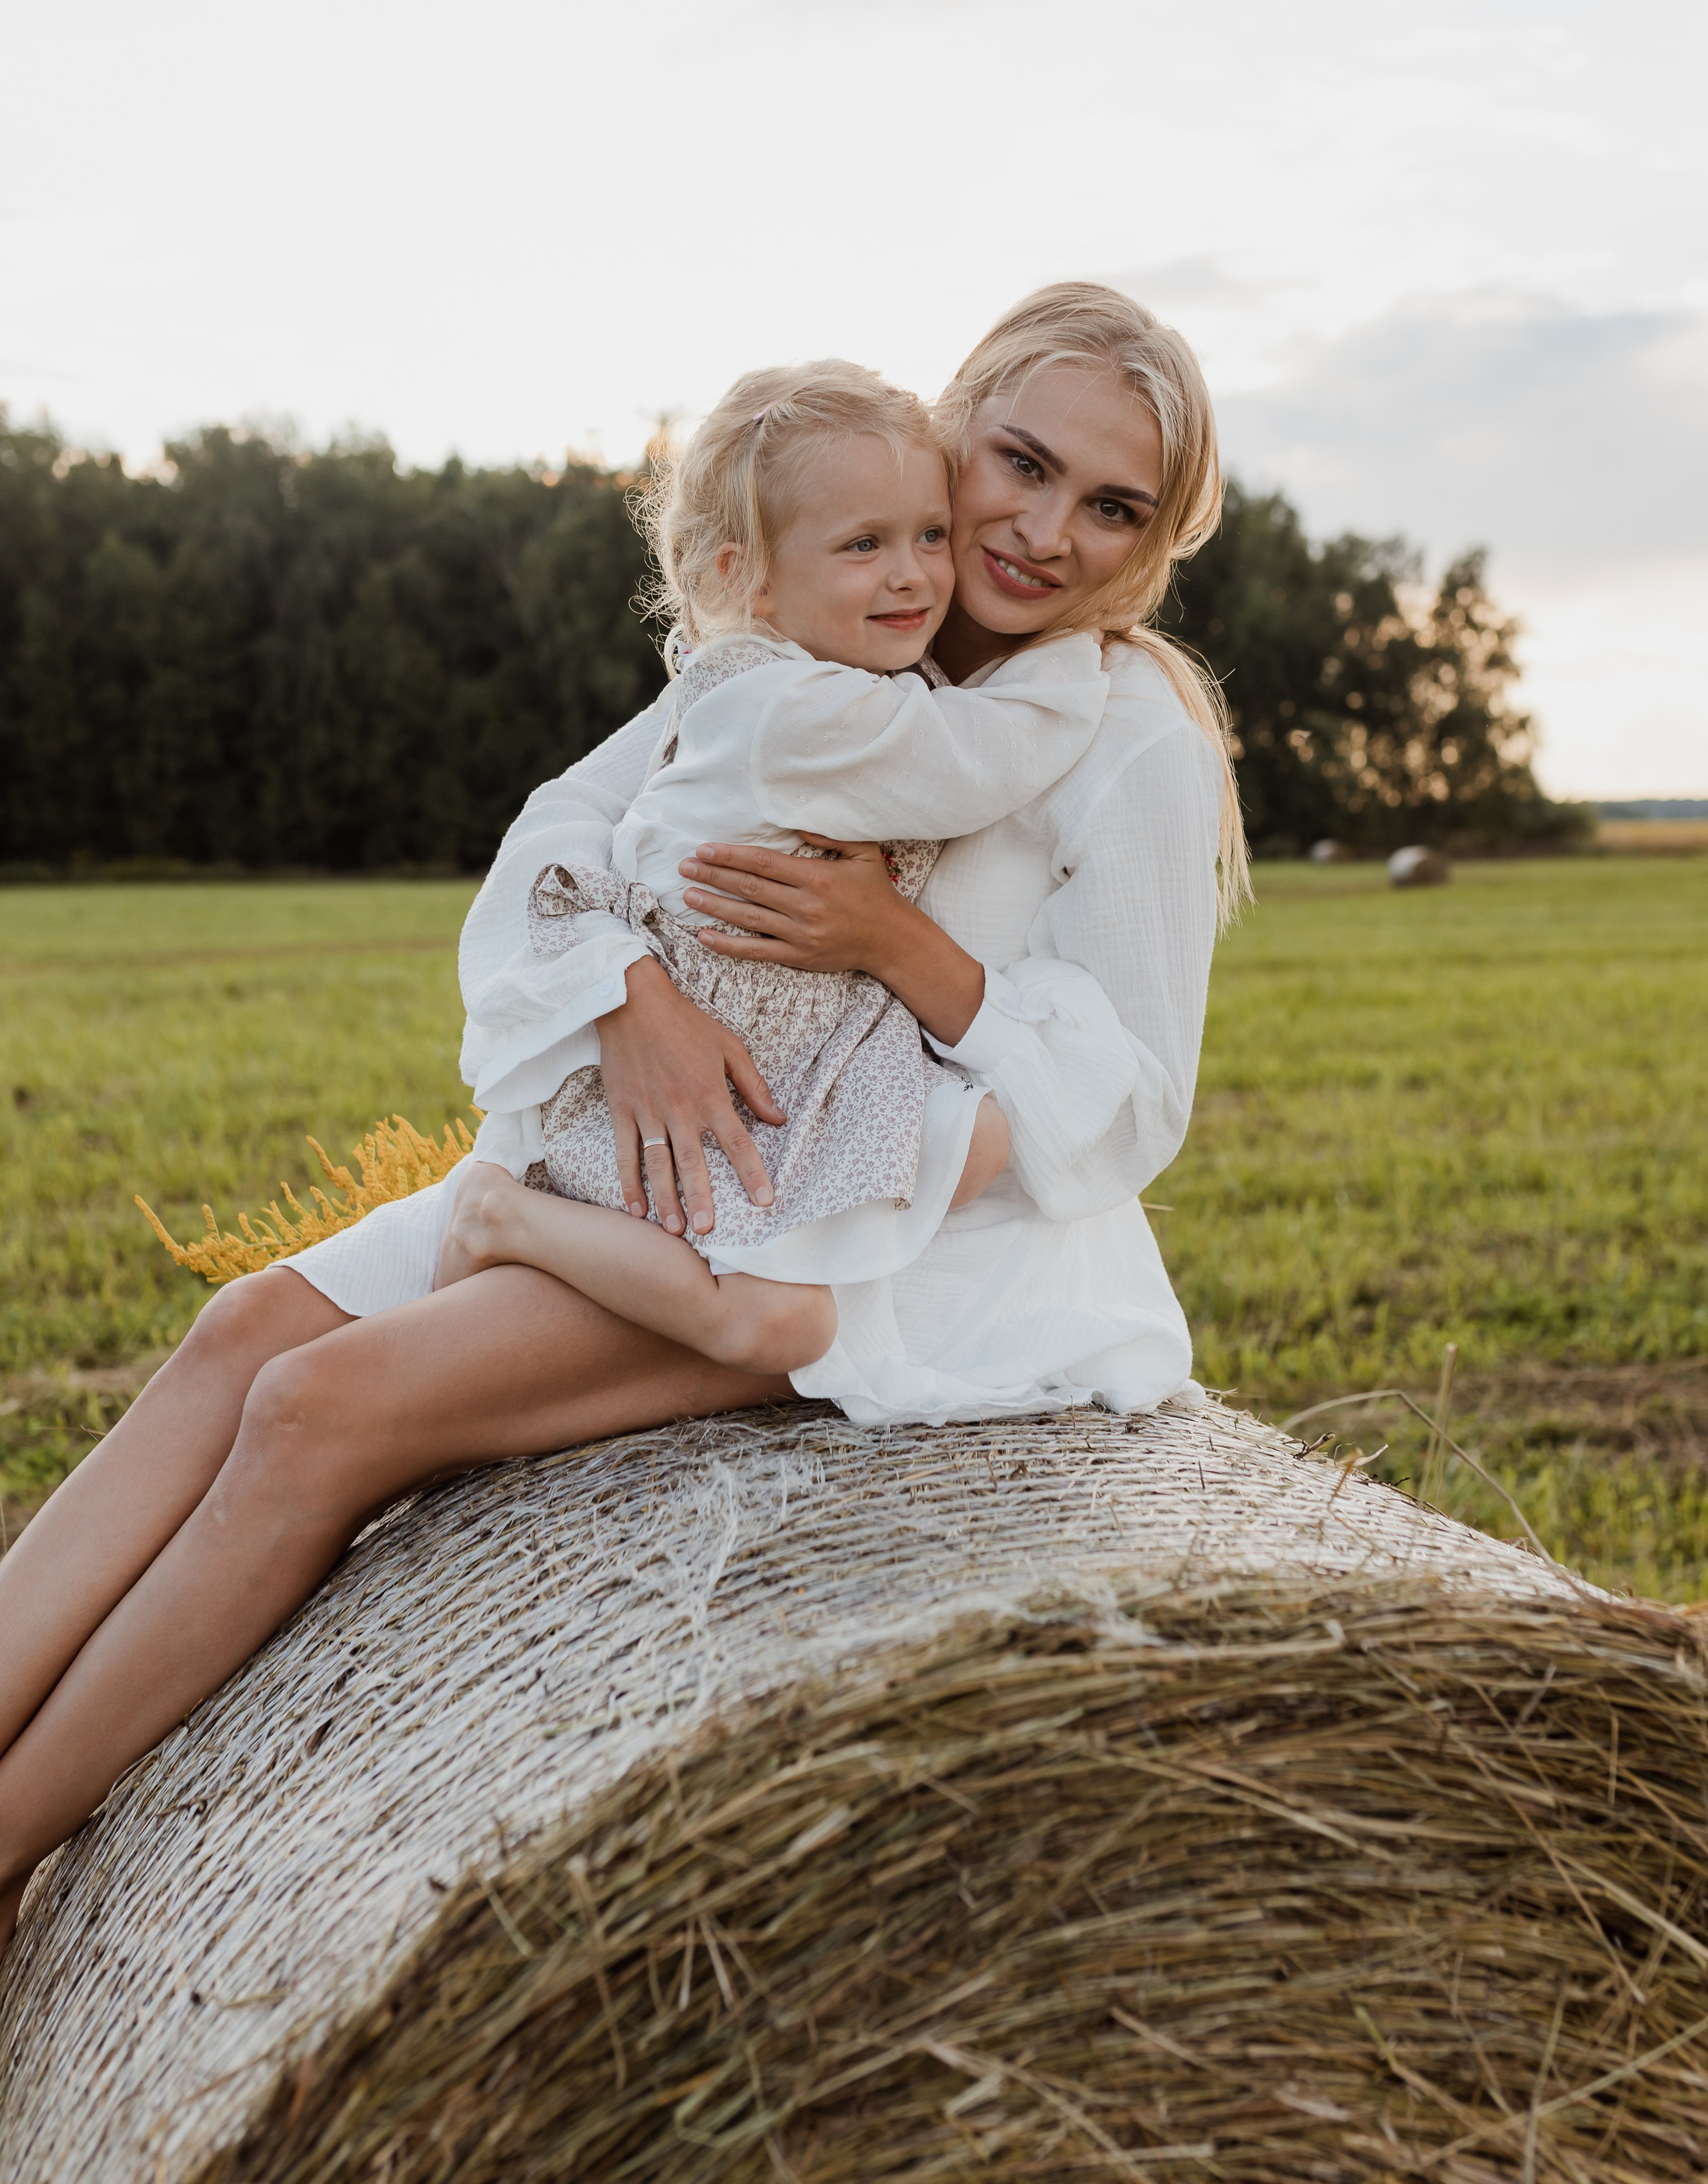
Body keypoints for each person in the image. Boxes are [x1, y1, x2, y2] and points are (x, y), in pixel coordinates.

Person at [0, 282, 1246, 1947]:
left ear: (1153, 543)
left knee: (318, 1408)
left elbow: (1126, 1099)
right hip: (667, 1140)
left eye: (1111, 507)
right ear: (952, 426)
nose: (1040, 529)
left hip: (902, 1222)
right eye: (1016, 462)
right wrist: (627, 999)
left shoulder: (1123, 736)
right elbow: (554, 843)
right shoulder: (813, 635)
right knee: (244, 1331)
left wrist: (897, 947)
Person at [422, 357, 1112, 1360]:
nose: (914, 572)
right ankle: (501, 1216)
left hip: (778, 1052)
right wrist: (1090, 651)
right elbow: (983, 757)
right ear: (739, 578)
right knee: (786, 1321)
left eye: (929, 533)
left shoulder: (799, 682)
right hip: (707, 1072)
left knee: (984, 1135)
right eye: (862, 543)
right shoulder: (789, 711)